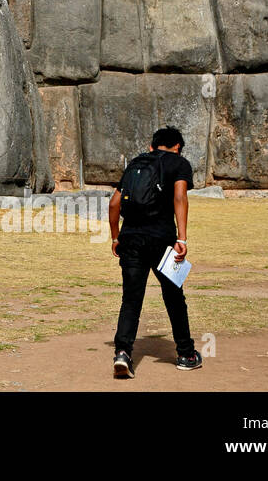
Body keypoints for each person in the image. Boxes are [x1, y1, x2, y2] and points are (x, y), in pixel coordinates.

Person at [108, 127, 201, 378]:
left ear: (152, 146)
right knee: (173, 296)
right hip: (163, 241)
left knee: (131, 299)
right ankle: (186, 354)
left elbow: (114, 203)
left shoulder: (136, 163)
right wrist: (182, 237)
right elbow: (180, 197)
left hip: (131, 239)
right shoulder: (179, 164)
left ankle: (123, 353)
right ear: (177, 147)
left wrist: (116, 237)